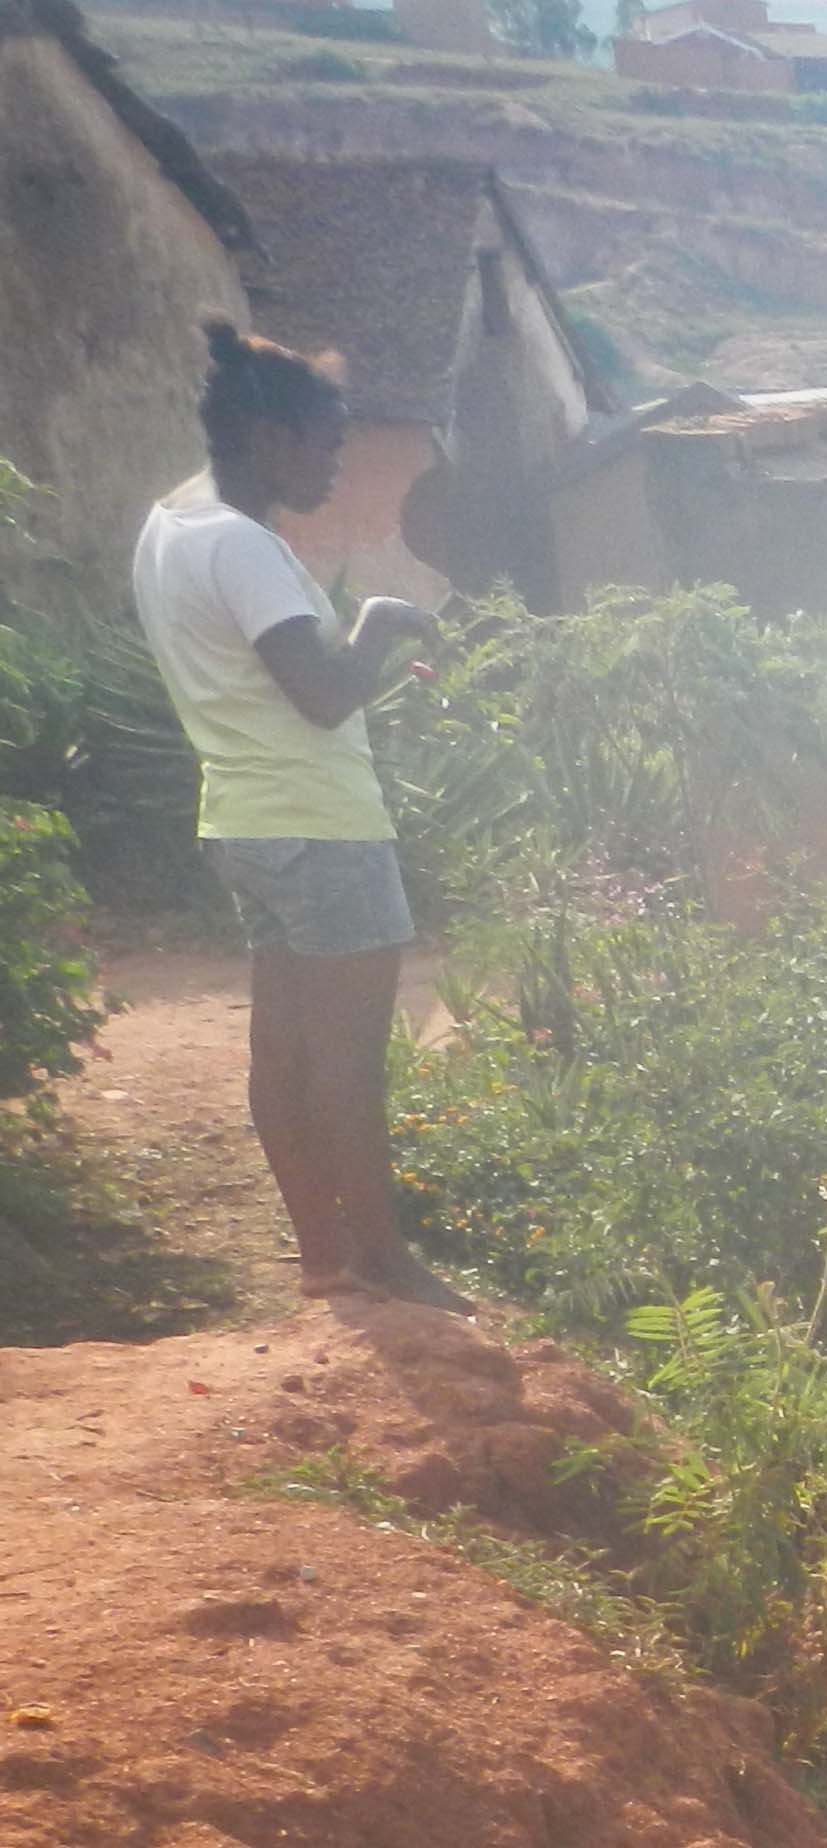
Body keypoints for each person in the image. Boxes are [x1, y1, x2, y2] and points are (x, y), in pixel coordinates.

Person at [129, 320, 462, 1306]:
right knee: (350, 1061)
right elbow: (320, 694)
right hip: (322, 827)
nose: (337, 462)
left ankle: (324, 1262)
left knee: (280, 1048)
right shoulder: (246, 548)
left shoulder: (170, 525)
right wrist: (380, 621)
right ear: (269, 437)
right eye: (326, 441)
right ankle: (387, 1264)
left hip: (243, 818)